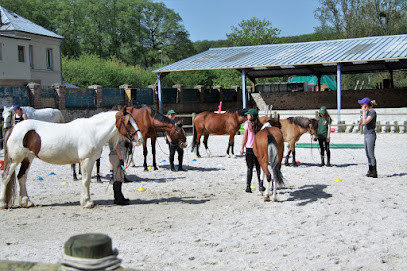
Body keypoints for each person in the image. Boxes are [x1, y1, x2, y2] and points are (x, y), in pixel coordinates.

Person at [240, 108, 263, 193]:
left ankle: (248, 186)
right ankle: (260, 185)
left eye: (248, 115)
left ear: (251, 116)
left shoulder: (247, 124)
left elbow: (245, 137)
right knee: (258, 168)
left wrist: (242, 148)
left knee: (249, 168)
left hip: (249, 147)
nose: (247, 116)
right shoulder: (260, 125)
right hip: (258, 148)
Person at [358, 97, 378, 178]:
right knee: (367, 153)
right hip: (366, 134)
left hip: (371, 135)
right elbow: (363, 122)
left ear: (366, 105)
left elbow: (365, 121)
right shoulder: (367, 112)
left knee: (371, 154)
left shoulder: (372, 112)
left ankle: (374, 171)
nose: (361, 106)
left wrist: (363, 112)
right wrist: (361, 122)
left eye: (362, 105)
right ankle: (370, 170)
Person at [109, 139, 130, 205]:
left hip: (113, 155)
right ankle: (118, 199)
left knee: (117, 177)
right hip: (116, 156)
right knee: (118, 177)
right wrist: (121, 159)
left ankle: (119, 196)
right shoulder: (115, 137)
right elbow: (117, 147)